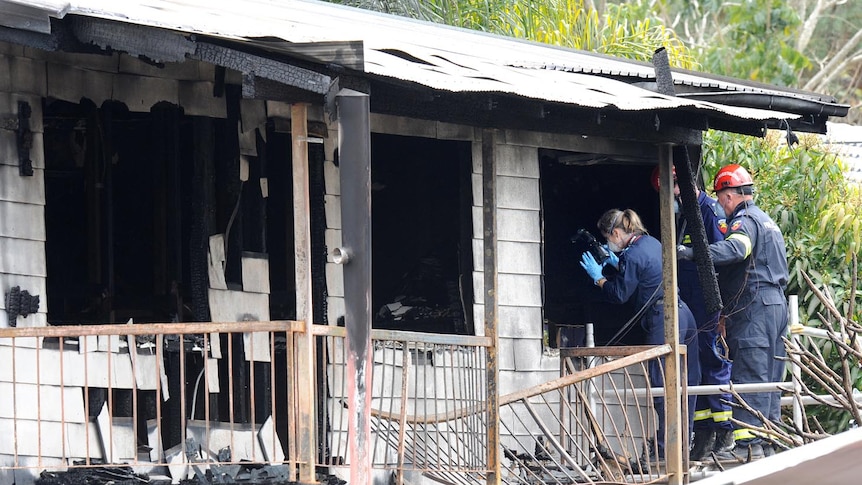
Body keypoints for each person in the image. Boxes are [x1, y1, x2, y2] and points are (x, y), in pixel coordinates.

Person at [678, 164, 789, 461]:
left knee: (749, 371)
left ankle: (747, 443)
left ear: (729, 195)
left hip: (755, 308)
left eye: (721, 197)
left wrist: (693, 254)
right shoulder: (767, 221)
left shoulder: (744, 221)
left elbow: (736, 250)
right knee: (770, 373)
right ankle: (767, 437)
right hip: (775, 306)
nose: (721, 204)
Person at [580, 208, 700, 461]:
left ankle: (665, 450)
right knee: (685, 383)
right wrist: (619, 263)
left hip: (663, 319)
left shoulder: (632, 255)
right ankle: (682, 446)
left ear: (615, 232)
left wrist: (599, 279)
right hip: (684, 314)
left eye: (607, 239)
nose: (607, 244)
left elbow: (619, 294)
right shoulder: (652, 242)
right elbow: (644, 271)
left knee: (661, 383)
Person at [650, 166, 734, 460]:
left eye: (670, 189)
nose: (668, 197)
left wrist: (721, 309)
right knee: (694, 369)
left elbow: (721, 255)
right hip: (687, 305)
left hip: (707, 302)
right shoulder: (681, 215)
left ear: (681, 184)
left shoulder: (708, 211)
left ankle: (725, 430)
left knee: (713, 360)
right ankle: (703, 432)